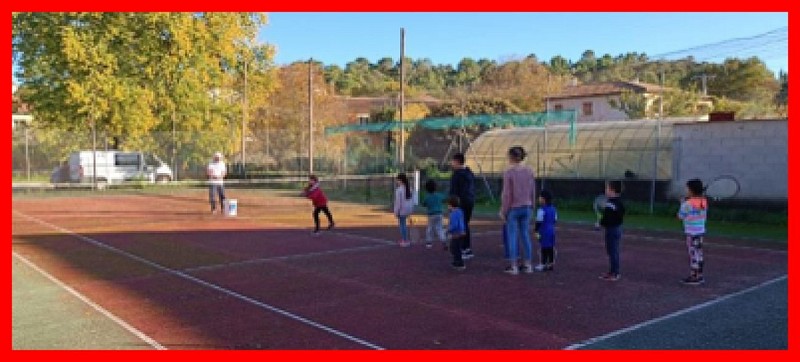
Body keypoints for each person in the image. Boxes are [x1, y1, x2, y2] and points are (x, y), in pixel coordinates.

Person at [499, 146, 537, 275]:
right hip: (527, 206)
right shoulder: (530, 171)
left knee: (512, 236)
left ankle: (513, 265)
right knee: (525, 235)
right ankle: (528, 264)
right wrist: (532, 205)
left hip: (514, 208)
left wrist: (504, 210)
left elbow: (507, 194)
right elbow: (533, 190)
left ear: (512, 157)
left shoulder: (509, 172)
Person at [677, 178, 707, 285]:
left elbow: (680, 216)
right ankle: (700, 275)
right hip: (700, 231)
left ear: (691, 190)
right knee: (699, 253)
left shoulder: (687, 204)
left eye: (688, 188)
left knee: (693, 254)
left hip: (691, 232)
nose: (686, 190)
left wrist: (682, 203)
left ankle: (694, 276)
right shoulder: (703, 201)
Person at [449, 153, 476, 259]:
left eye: (453, 161)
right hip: (470, 201)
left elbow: (454, 191)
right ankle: (466, 248)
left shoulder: (457, 174)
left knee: (460, 226)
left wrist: (452, 205)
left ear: (456, 161)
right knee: (465, 224)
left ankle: (463, 248)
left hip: (460, 202)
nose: (452, 163)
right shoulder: (469, 173)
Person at [599, 180, 625, 281]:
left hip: (612, 230)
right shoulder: (619, 202)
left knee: (612, 251)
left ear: (612, 190)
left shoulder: (610, 203)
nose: (606, 190)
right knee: (613, 251)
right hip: (617, 228)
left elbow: (608, 218)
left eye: (607, 188)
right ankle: (613, 271)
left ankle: (615, 273)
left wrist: (600, 223)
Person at [534, 190, 557, 272]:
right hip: (552, 230)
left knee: (543, 247)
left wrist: (535, 231)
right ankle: (550, 264)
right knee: (550, 247)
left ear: (544, 199)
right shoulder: (553, 209)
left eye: (540, 197)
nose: (539, 199)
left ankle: (542, 264)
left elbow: (538, 221)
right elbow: (555, 220)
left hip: (543, 231)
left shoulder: (541, 210)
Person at [422, 179, 447, 249]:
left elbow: (424, 204)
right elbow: (444, 199)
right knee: (440, 228)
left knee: (430, 228)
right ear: (435, 187)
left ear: (427, 188)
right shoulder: (439, 195)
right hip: (440, 214)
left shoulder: (427, 196)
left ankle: (429, 243)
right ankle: (443, 240)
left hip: (431, 215)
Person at [394, 173, 415, 247]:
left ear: (401, 180)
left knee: (402, 225)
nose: (397, 181)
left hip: (402, 210)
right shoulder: (410, 189)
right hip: (408, 209)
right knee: (404, 224)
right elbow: (412, 201)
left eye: (398, 180)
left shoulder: (399, 190)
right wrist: (411, 211)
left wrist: (396, 212)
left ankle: (405, 241)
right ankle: (405, 240)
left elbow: (398, 203)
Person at [446, 195, 467, 271]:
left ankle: (459, 262)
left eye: (448, 205)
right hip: (462, 232)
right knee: (456, 248)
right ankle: (457, 261)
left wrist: (448, 229)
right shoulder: (460, 211)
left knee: (454, 248)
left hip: (456, 233)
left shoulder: (453, 214)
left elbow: (454, 225)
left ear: (451, 205)